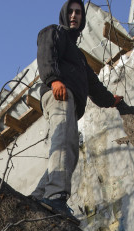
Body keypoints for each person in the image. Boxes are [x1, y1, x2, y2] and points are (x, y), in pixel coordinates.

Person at [32, 1, 123, 220]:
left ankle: (38, 197)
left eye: (79, 13)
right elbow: (46, 54)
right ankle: (55, 197)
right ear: (64, 14)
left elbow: (94, 86)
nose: (74, 16)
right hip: (59, 93)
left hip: (71, 104)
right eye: (71, 12)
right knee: (63, 142)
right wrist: (53, 80)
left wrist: (111, 100)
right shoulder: (54, 32)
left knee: (69, 151)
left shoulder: (79, 57)